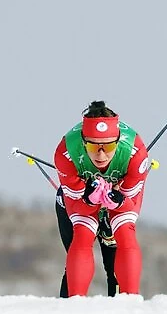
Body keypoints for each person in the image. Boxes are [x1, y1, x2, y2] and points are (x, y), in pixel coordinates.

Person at [53, 100, 150, 296]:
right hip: (83, 194)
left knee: (125, 231)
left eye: (108, 146)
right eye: (92, 147)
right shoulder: (66, 153)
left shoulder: (136, 152)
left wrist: (119, 200)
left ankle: (129, 299)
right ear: (83, 142)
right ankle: (75, 300)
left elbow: (130, 200)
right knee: (82, 233)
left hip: (120, 189)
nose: (101, 155)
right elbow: (77, 204)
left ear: (118, 141)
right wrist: (89, 199)